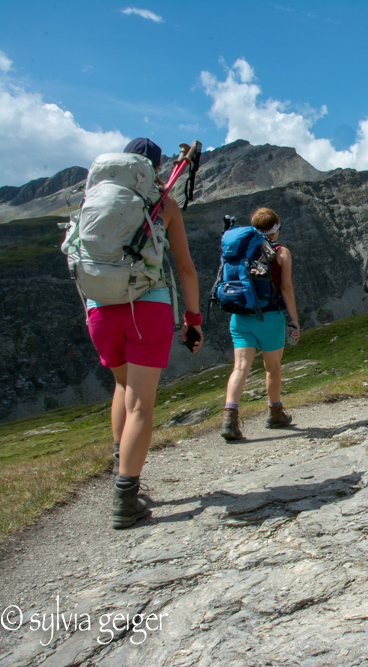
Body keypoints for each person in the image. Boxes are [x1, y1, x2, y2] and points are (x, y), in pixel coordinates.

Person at [89, 138, 203, 529]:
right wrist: (193, 317)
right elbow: (185, 268)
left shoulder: (96, 198)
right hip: (147, 308)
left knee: (122, 388)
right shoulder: (163, 204)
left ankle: (123, 463)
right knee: (142, 403)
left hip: (100, 308)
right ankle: (126, 497)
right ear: (153, 168)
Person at [221, 208, 300, 440]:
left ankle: (229, 419)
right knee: (272, 368)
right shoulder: (281, 252)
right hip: (269, 318)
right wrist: (293, 320)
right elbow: (285, 288)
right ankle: (275, 413)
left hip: (240, 317)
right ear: (276, 226)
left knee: (240, 367)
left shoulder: (240, 249)